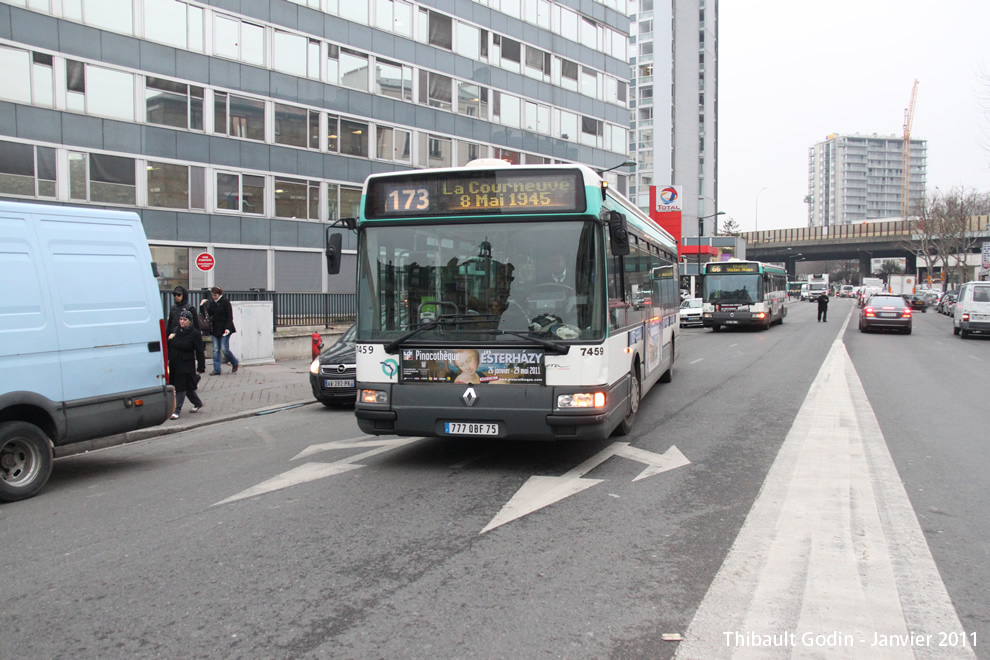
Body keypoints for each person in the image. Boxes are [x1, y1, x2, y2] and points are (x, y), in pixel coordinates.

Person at [167, 310, 206, 419]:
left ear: (190, 321)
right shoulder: (176, 331)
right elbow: (171, 347)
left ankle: (177, 410)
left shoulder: (194, 334)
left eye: (185, 320)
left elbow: (199, 351)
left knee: (181, 387)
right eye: (180, 319)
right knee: (188, 388)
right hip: (175, 363)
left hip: (186, 364)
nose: (182, 322)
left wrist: (201, 366)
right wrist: (170, 339)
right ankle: (197, 403)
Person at [200, 286, 240, 375]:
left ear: (219, 294)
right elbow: (207, 315)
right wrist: (202, 306)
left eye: (215, 295)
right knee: (216, 349)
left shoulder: (225, 302)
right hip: (215, 329)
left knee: (224, 348)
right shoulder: (212, 303)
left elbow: (229, 316)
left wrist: (227, 328)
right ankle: (216, 369)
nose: (214, 297)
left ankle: (234, 362)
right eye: (213, 295)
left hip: (224, 329)